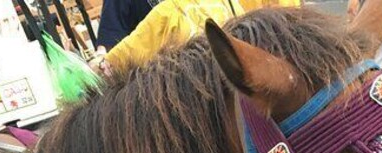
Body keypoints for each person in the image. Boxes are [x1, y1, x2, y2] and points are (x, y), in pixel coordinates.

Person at [91, 0, 300, 75]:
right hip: (175, 100)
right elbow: (109, 55)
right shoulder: (168, 13)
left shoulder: (170, 12)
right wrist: (102, 62)